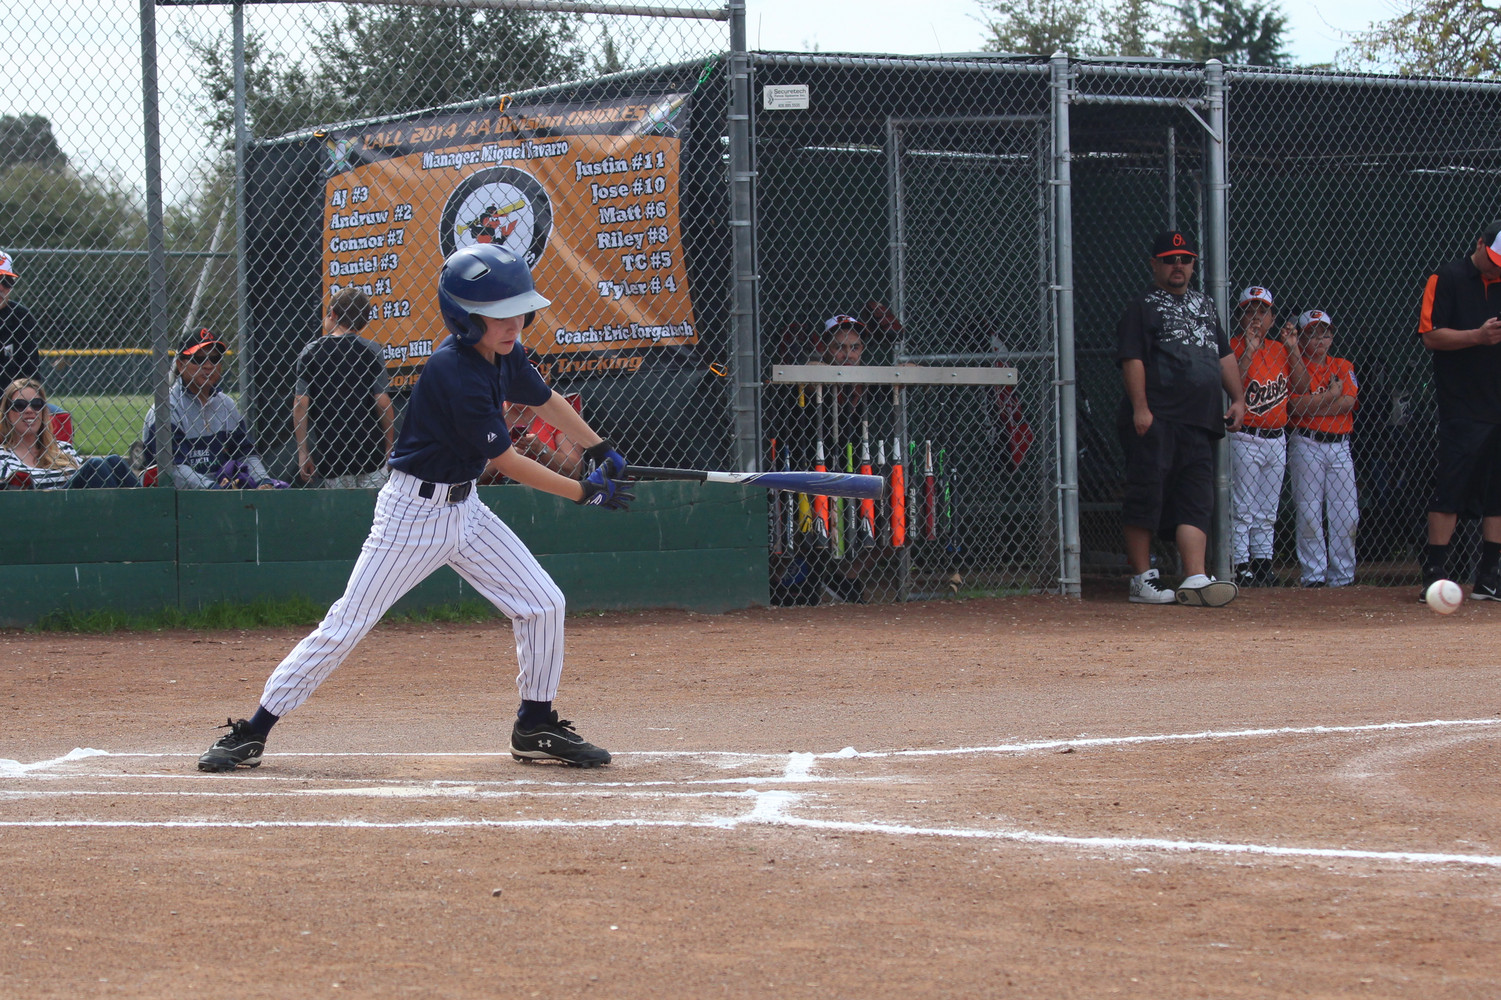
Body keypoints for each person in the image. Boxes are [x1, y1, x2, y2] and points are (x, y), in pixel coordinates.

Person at [196, 243, 634, 774]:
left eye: (519, 311)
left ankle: (535, 725)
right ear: (465, 317)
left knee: (543, 604)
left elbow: (544, 399)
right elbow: (508, 461)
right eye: (498, 314)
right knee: (348, 624)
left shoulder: (504, 353)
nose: (513, 324)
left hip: (466, 509)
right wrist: (584, 492)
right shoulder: (456, 371)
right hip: (413, 516)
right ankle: (253, 731)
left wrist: (597, 447)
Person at [1115, 230, 1246, 606]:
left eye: (1185, 259)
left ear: (1193, 265)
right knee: (1147, 493)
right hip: (1158, 418)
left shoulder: (1205, 304)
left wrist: (1238, 398)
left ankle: (1195, 577)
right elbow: (1132, 358)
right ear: (1154, 264)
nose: (1178, 265)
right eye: (1170, 259)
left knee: (1195, 499)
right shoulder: (1142, 306)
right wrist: (1141, 408)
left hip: (1200, 421)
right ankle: (1142, 580)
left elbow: (1223, 355)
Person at [1416, 222, 1501, 602]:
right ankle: (1435, 573)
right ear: (1480, 243)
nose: (1496, 269)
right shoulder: (1447, 278)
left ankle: (1489, 576)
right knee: (1450, 489)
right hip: (1463, 405)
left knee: (1497, 493)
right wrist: (1477, 336)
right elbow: (1431, 336)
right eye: (1493, 259)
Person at [1228, 285, 1309, 587]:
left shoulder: (1280, 348)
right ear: (1240, 317)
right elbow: (1232, 384)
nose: (1256, 317)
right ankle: (1239, 565)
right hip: (1245, 436)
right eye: (1250, 311)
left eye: (1262, 312)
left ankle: (1262, 565)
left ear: (1272, 319)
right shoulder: (1233, 346)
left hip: (1276, 438)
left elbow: (1301, 386)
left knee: (1267, 509)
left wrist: (1293, 349)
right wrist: (1249, 350)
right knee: (1243, 508)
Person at [141, 329, 279, 489]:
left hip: (221, 490)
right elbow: (174, 469)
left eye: (214, 359)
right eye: (198, 359)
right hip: (176, 498)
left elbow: (245, 454)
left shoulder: (226, 405)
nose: (208, 366)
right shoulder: (167, 409)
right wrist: (213, 490)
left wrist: (263, 481)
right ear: (180, 365)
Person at [293, 287, 395, 489]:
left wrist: (303, 451)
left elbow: (300, 404)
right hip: (370, 451)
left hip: (332, 453)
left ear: (333, 313)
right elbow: (382, 401)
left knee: (341, 505)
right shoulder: (371, 350)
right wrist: (389, 445)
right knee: (373, 505)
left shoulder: (311, 352)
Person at [1286, 310, 1359, 588]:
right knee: (1309, 512)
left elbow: (1347, 403)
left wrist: (1313, 406)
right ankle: (1313, 575)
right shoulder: (1295, 365)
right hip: (1306, 442)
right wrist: (1330, 396)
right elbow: (1293, 407)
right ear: (1301, 339)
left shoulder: (1342, 364)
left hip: (1340, 445)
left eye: (1325, 334)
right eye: (1312, 334)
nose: (1319, 340)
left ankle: (1343, 576)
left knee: (1347, 514)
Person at [0, 379, 139, 489]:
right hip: (42, 510)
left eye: (36, 404)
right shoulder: (2, 456)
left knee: (115, 461)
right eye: (19, 405)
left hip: (77, 504)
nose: (29, 410)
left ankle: (147, 509)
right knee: (95, 465)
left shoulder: (63, 448)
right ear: (6, 413)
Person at [0, 251, 42, 392]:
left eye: (6, 281)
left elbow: (31, 374)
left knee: (56, 410)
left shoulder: (21, 316)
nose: (1, 287)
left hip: (12, 400)